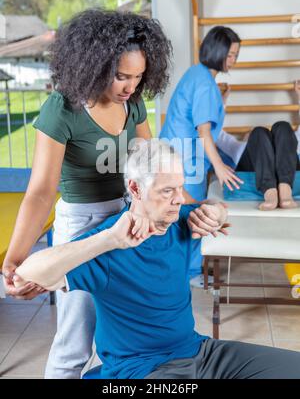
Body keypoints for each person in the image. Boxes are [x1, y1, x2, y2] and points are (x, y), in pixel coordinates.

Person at [13, 140, 300, 380]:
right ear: (136, 189)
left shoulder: (181, 219)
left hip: (202, 353)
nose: (178, 199)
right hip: (143, 371)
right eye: (167, 191)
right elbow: (28, 273)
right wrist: (108, 240)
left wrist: (216, 213)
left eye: (180, 188)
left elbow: (218, 207)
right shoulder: (105, 244)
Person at [2, 8, 172, 379]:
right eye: (122, 76)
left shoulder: (134, 103)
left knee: (119, 334)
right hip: (81, 224)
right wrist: (16, 258)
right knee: (74, 342)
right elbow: (41, 192)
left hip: (126, 219)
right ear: (94, 64)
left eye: (139, 76)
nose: (130, 86)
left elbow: (152, 166)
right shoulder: (62, 108)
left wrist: (175, 207)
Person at [160, 26, 243, 280]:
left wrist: (222, 100)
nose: (234, 60)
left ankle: (186, 268)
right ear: (217, 52)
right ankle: (191, 272)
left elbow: (205, 120)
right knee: (193, 213)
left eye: (236, 55)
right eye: (231, 54)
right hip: (187, 159)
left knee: (180, 212)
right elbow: (204, 132)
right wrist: (219, 167)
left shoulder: (198, 75)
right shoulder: (206, 84)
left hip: (178, 154)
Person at [217, 80, 300, 210]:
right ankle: (270, 191)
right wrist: (221, 101)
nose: (266, 139)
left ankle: (285, 189)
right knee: (259, 132)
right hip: (251, 167)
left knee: (283, 126)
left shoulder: (286, 143)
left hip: (287, 170)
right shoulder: (239, 146)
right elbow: (217, 135)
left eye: (269, 138)